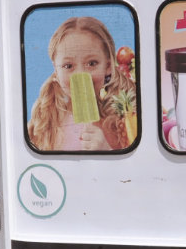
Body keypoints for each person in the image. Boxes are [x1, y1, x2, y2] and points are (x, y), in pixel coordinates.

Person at [27, 16, 133, 151]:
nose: (80, 75)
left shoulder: (121, 124)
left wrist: (106, 150)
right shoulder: (45, 126)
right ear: (56, 71)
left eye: (92, 63)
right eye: (68, 66)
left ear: (107, 66)